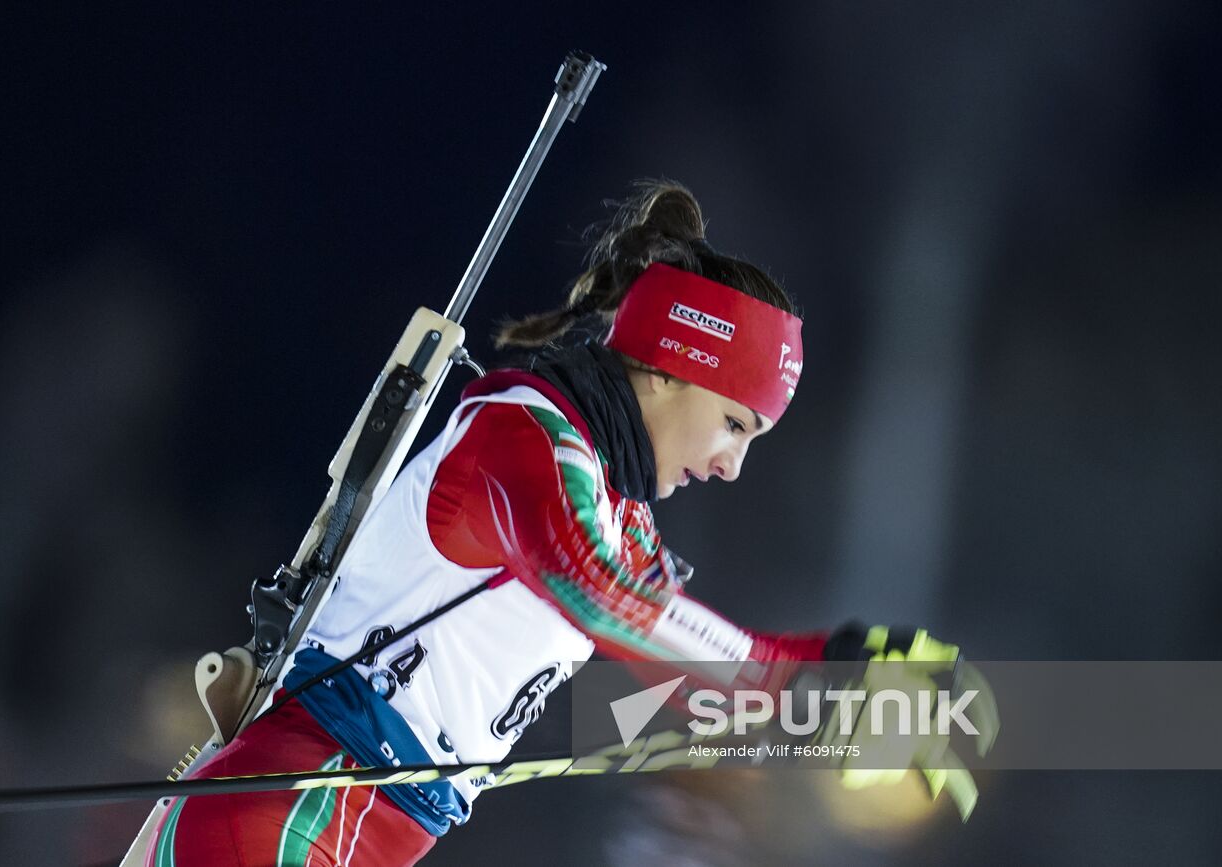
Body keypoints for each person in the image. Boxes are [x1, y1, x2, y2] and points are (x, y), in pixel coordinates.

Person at [146, 181, 967, 867]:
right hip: (288, 817)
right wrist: (812, 688)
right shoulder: (524, 438)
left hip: (342, 827)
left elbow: (685, 672)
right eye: (734, 425)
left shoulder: (621, 513)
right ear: (676, 369)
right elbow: (600, 601)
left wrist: (839, 670)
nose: (730, 465)